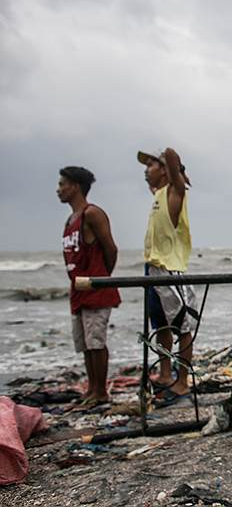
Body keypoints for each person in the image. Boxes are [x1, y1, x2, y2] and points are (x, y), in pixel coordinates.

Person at [138, 148, 197, 406]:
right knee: (160, 325)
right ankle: (165, 374)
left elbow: (173, 159)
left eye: (151, 165)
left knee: (183, 326)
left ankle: (183, 380)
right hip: (153, 267)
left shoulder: (175, 192)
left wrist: (168, 160)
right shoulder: (158, 194)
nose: (145, 170)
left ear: (163, 169)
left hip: (170, 267)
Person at [58, 166, 121, 408]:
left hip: (95, 288)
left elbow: (111, 249)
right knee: (84, 343)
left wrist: (102, 278)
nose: (59, 189)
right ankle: (92, 390)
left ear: (75, 186)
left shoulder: (91, 214)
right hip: (78, 290)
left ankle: (101, 392)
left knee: (96, 341)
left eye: (63, 184)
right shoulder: (70, 220)